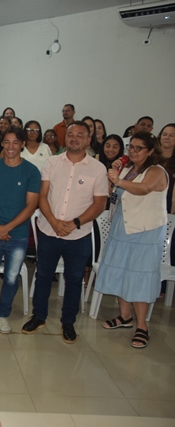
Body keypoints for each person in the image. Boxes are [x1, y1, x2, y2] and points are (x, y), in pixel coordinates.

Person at [22, 121, 108, 344]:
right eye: (71, 134)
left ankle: (68, 321)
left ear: (88, 140)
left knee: (74, 278)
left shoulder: (98, 168)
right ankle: (39, 316)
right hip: (49, 230)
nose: (75, 138)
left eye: (80, 135)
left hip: (79, 235)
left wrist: (75, 223)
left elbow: (99, 204)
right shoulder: (52, 162)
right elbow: (42, 196)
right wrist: (54, 222)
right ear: (65, 138)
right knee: (43, 275)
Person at [95, 131, 167, 349]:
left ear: (151, 151)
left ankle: (142, 326)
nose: (133, 151)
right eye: (131, 147)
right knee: (120, 271)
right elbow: (112, 193)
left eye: (138, 148)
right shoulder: (127, 169)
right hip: (122, 226)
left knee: (139, 276)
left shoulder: (156, 171)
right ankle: (125, 316)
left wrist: (119, 180)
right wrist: (114, 174)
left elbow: (144, 189)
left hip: (145, 231)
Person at [0, 127, 41, 333]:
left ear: (22, 144)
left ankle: (3, 314)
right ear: (2, 144)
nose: (11, 147)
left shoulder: (31, 171)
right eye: (7, 142)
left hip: (18, 234)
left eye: (15, 142)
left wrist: (8, 228)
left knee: (11, 277)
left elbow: (31, 205)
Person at [97, 135, 124, 210]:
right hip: (94, 201)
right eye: (108, 146)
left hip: (115, 204)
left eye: (115, 147)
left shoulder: (124, 165)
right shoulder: (95, 161)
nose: (110, 150)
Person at [156, 123, 175, 212]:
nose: (167, 138)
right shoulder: (149, 156)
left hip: (169, 204)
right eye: (164, 134)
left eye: (172, 135)